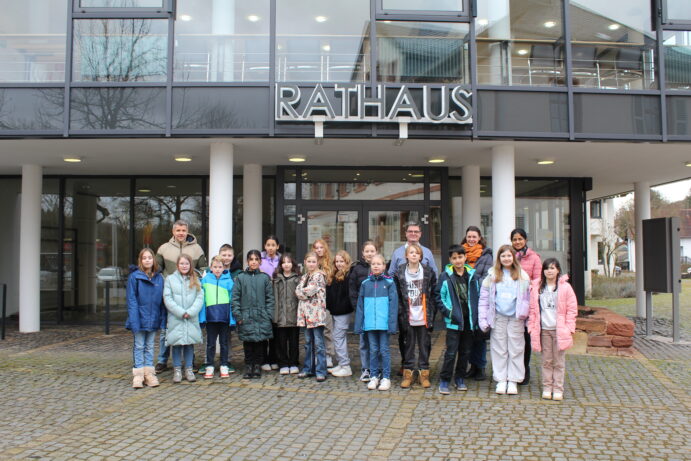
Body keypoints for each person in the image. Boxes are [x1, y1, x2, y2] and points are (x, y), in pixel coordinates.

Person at [154, 219, 207, 374]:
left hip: (190, 294)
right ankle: (162, 360)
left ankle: (190, 362)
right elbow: (157, 270)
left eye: (183, 230)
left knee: (190, 327)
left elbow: (203, 270)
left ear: (187, 230)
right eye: (178, 230)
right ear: (173, 232)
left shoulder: (197, 249)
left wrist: (194, 278)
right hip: (170, 295)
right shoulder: (164, 249)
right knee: (166, 328)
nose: (181, 233)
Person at [388, 221, 439, 379]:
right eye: (410, 231)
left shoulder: (428, 253)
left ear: (420, 234)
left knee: (424, 339)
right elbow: (391, 276)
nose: (413, 234)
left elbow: (434, 276)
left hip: (423, 305)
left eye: (416, 231)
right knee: (405, 337)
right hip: (405, 304)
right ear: (406, 233)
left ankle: (424, 369)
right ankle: (406, 365)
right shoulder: (397, 253)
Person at [478, 245, 531, 396]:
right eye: (503, 256)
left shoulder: (522, 275)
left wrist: (528, 319)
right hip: (498, 317)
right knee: (499, 348)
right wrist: (483, 319)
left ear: (513, 257)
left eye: (509, 256)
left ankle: (513, 380)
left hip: (516, 318)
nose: (506, 259)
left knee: (516, 349)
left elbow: (528, 299)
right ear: (499, 259)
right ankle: (501, 379)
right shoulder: (492, 275)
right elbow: (483, 299)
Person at [528, 258, 578, 401]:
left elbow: (572, 309)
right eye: (547, 268)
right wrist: (532, 326)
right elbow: (532, 309)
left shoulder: (565, 287)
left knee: (559, 361)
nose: (549, 271)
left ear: (558, 270)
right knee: (546, 361)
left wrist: (569, 328)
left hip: (559, 330)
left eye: (552, 268)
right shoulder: (537, 287)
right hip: (544, 330)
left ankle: (558, 388)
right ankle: (547, 387)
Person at [434, 245, 481, 394]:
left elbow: (479, 296)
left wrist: (477, 316)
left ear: (465, 257)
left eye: (460, 257)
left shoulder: (473, 275)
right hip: (454, 322)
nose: (458, 260)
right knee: (451, 352)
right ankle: (445, 380)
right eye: (454, 258)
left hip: (469, 321)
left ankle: (460, 378)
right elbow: (438, 297)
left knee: (465, 352)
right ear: (450, 260)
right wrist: (449, 313)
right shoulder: (446, 276)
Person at [393, 244, 437, 389]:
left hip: (423, 315)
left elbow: (433, 293)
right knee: (408, 346)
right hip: (408, 315)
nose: (413, 255)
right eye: (411, 252)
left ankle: (424, 374)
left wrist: (431, 311)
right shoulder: (399, 272)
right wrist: (400, 313)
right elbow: (397, 295)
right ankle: (408, 373)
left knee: (424, 346)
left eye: (416, 253)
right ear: (406, 255)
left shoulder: (428, 272)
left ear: (420, 256)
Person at [354, 253, 398, 391]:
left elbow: (393, 306)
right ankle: (374, 376)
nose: (376, 266)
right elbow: (360, 306)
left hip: (383, 324)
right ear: (370, 266)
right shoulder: (365, 284)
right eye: (374, 264)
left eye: (379, 264)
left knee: (384, 350)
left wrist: (392, 325)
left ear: (384, 266)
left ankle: (386, 377)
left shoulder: (389, 283)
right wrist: (359, 324)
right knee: (373, 350)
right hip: (370, 325)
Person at [126, 248, 165, 388]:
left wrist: (162, 318)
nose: (147, 260)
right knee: (139, 345)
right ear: (140, 260)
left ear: (153, 259)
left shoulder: (159, 278)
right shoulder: (135, 277)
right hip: (139, 317)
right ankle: (138, 375)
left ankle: (149, 373)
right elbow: (132, 300)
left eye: (150, 257)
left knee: (149, 346)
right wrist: (134, 320)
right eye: (144, 258)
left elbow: (162, 301)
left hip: (153, 317)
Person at [233, 250, 275, 380]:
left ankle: (257, 365)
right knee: (248, 342)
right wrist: (238, 315)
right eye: (251, 259)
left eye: (256, 259)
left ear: (260, 262)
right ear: (247, 261)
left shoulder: (264, 278)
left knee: (259, 343)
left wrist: (268, 315)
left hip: (261, 316)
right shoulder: (241, 278)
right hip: (246, 316)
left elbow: (270, 298)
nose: (254, 262)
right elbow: (235, 298)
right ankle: (249, 365)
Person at [163, 254, 204, 384]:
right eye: (182, 263)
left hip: (191, 318)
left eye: (186, 263)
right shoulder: (170, 279)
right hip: (176, 317)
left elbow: (200, 297)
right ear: (177, 265)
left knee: (189, 344)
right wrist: (180, 312)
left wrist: (190, 312)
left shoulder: (195, 279)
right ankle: (177, 370)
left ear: (190, 265)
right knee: (176, 344)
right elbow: (167, 298)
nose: (184, 266)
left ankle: (189, 369)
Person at [511, 228, 542, 386]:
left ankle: (524, 369)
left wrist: (527, 287)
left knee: (525, 338)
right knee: (513, 339)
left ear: (525, 240)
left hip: (527, 303)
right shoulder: (509, 256)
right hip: (510, 303)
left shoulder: (534, 257)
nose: (517, 242)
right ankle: (513, 370)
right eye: (515, 239)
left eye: (520, 239)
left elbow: (537, 279)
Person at [461, 225, 493, 381]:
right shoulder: (460, 253)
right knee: (467, 335)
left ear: (480, 237)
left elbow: (487, 277)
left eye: (474, 236)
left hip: (480, 299)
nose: (471, 239)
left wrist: (471, 281)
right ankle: (471, 366)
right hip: (464, 300)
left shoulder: (486, 255)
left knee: (479, 335)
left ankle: (480, 367)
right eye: (469, 237)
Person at [200, 256, 236, 379]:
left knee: (224, 343)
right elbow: (202, 300)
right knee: (210, 343)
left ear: (224, 267)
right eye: (215, 267)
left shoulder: (229, 281)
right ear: (211, 268)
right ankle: (209, 365)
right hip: (210, 318)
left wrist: (232, 319)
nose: (217, 269)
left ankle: (224, 364)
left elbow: (232, 301)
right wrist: (202, 317)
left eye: (220, 267)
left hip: (224, 318)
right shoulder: (205, 281)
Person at [295, 252, 328, 382]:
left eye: (314, 262)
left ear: (318, 262)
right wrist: (302, 292)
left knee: (319, 344)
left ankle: (321, 370)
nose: (311, 264)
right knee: (308, 343)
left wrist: (301, 293)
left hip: (316, 315)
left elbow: (309, 291)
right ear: (305, 262)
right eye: (309, 261)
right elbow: (297, 291)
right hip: (306, 315)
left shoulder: (319, 276)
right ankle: (308, 368)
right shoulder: (304, 277)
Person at [348, 240, 377, 382]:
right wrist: (357, 307)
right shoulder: (357, 269)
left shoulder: (381, 267)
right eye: (367, 251)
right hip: (363, 311)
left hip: (378, 311)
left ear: (376, 252)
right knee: (364, 341)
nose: (370, 254)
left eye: (372, 251)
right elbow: (352, 290)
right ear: (363, 253)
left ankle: (376, 368)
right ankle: (366, 368)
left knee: (377, 341)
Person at [326, 250, 354, 377]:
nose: (339, 264)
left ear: (347, 262)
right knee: (337, 336)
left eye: (341, 261)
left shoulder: (349, 276)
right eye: (337, 261)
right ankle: (342, 364)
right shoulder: (334, 274)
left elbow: (348, 296)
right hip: (335, 311)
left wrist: (342, 306)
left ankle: (345, 365)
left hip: (343, 311)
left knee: (338, 336)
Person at [273, 254, 301, 375]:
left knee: (294, 341)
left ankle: (294, 362)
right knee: (281, 341)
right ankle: (283, 363)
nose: (286, 264)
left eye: (289, 262)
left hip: (294, 315)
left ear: (293, 264)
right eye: (284, 262)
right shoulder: (276, 280)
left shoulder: (298, 279)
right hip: (280, 316)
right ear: (280, 265)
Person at [312, 239, 336, 369]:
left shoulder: (330, 263)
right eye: (316, 247)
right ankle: (317, 354)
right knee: (315, 331)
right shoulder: (311, 262)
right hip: (314, 303)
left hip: (326, 302)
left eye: (321, 247)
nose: (319, 250)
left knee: (327, 330)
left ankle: (328, 355)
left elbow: (331, 282)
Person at [259, 235, 281, 372]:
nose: (270, 248)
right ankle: (263, 359)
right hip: (262, 297)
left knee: (275, 331)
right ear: (265, 246)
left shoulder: (282, 260)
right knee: (263, 330)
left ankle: (274, 358)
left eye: (273, 245)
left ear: (277, 247)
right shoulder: (259, 259)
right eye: (268, 245)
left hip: (277, 298)